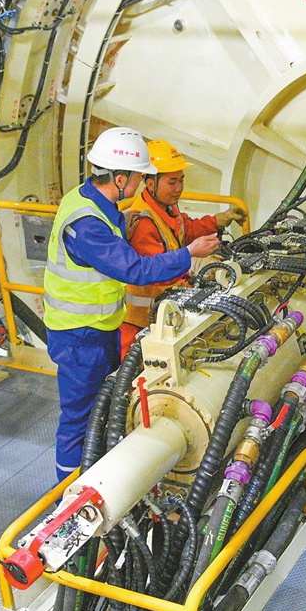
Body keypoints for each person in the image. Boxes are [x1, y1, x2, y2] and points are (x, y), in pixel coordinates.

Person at [43, 127, 221, 481]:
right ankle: (67, 493)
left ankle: (102, 475)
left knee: (104, 406)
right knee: (79, 419)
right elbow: (136, 269)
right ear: (120, 178)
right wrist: (190, 254)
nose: (141, 184)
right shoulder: (88, 224)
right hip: (79, 335)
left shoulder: (91, 200)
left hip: (100, 329)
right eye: (140, 177)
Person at [119, 140, 248, 355]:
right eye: (172, 182)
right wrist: (196, 268)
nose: (178, 188)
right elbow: (156, 272)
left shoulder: (166, 206)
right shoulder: (143, 222)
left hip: (163, 312)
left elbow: (183, 230)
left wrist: (218, 220)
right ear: (150, 184)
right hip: (141, 323)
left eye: (181, 180)